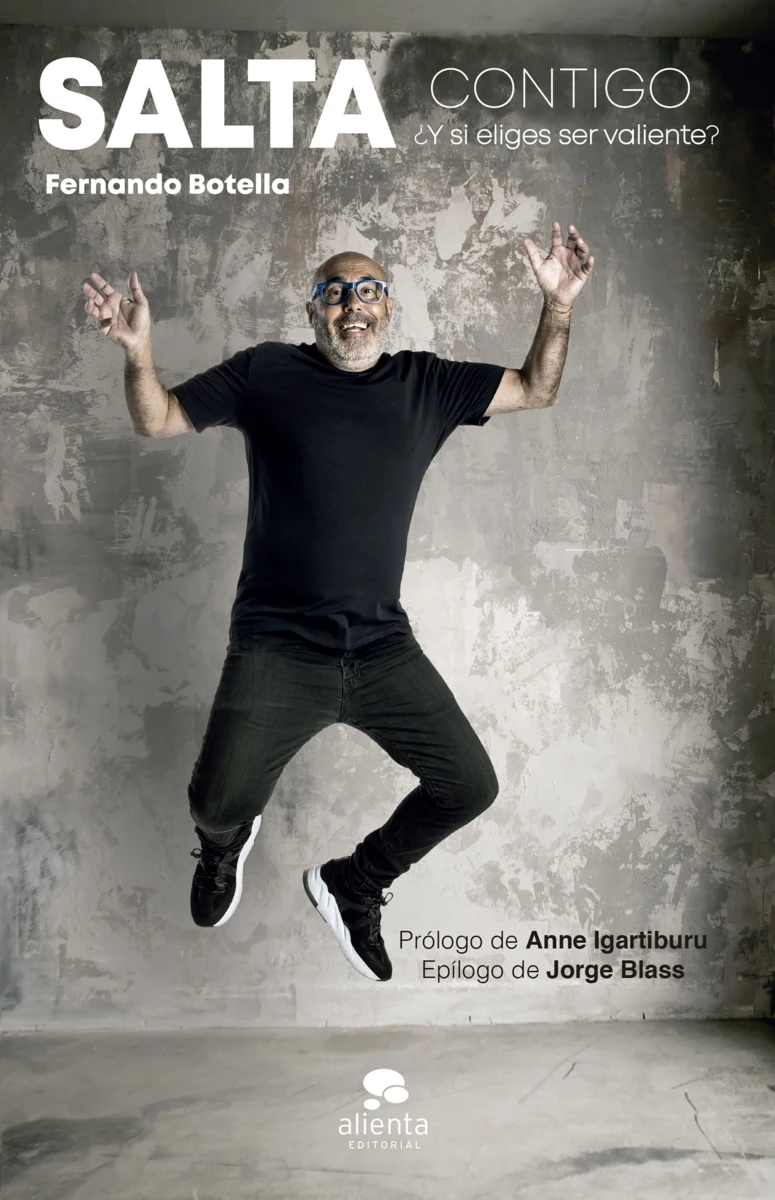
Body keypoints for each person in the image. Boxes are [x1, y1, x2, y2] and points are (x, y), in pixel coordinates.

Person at [82, 222, 594, 983]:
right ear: (312, 310)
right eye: (335, 291)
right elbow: (157, 418)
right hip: (277, 647)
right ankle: (224, 845)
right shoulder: (266, 372)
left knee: (469, 786)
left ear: (387, 308)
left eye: (369, 290)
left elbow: (536, 389)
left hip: (381, 648)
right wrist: (136, 352)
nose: (353, 303)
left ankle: (353, 883)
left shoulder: (426, 383)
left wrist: (557, 305)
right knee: (215, 806)